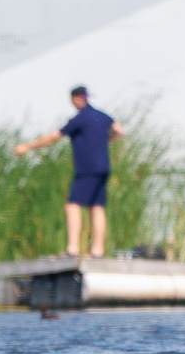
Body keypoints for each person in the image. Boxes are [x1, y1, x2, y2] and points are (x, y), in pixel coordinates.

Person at [13, 87, 124, 258]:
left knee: (72, 205)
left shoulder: (80, 119)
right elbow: (119, 130)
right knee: (97, 207)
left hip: (87, 168)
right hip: (103, 168)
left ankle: (72, 249)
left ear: (77, 99)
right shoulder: (102, 116)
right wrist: (105, 141)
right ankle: (97, 250)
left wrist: (27, 147)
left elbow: (53, 137)